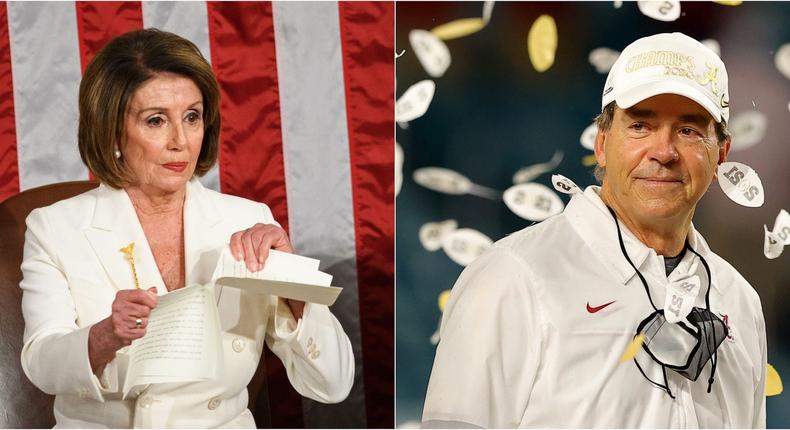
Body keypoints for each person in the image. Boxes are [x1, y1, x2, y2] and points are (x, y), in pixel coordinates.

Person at [422, 32, 766, 428]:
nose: (664, 151)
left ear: (721, 153)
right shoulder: (511, 277)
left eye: (688, 130)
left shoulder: (740, 301)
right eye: (640, 126)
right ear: (602, 143)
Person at [19, 29, 354, 428]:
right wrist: (105, 336)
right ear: (112, 131)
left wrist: (295, 289)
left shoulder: (248, 221)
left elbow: (333, 385)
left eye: (192, 117)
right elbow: (41, 363)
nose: (181, 140)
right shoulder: (54, 228)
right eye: (156, 120)